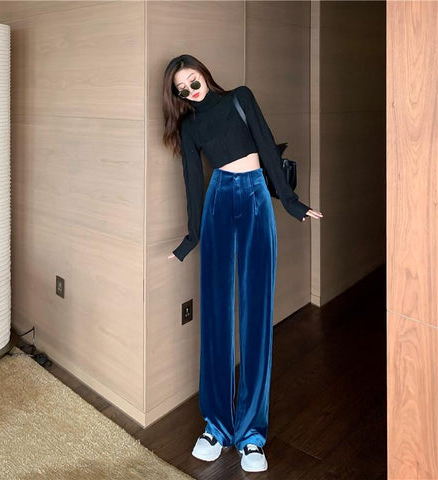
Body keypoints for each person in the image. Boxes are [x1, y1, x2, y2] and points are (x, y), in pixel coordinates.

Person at [162, 54, 323, 473]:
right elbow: (192, 182)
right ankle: (216, 426)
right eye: (182, 89)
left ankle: (251, 434)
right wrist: (191, 237)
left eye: (193, 81)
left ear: (204, 74)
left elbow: (266, 147)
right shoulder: (189, 126)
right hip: (218, 200)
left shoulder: (240, 98)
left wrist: (291, 202)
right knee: (216, 315)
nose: (190, 90)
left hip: (255, 197)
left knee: (256, 314)